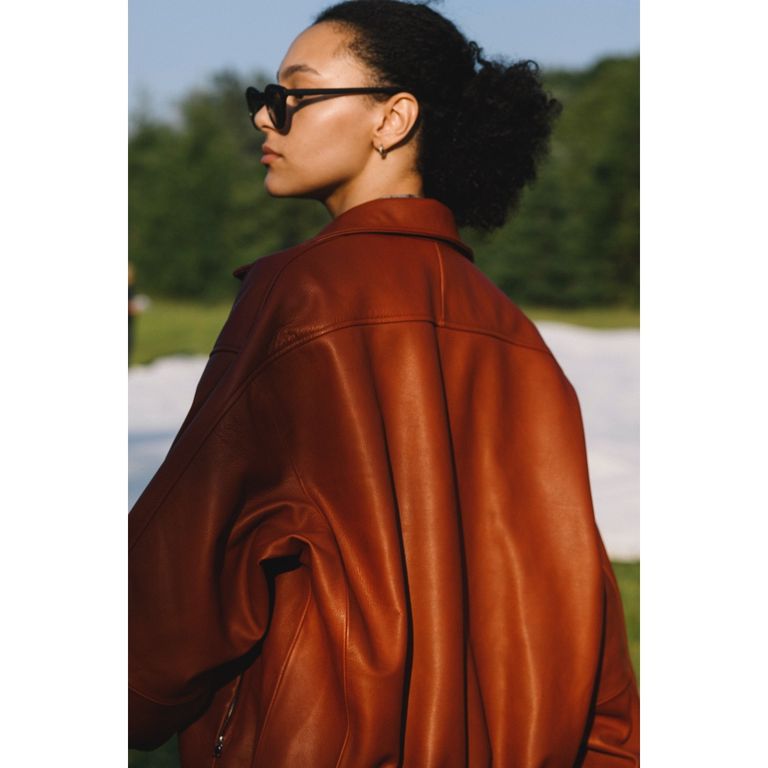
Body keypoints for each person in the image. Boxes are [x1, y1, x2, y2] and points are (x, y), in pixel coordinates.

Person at [129, 1, 639, 765]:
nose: (265, 117)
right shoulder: (517, 339)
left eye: (295, 94)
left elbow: (185, 562)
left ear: (392, 118)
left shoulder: (302, 296)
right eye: (264, 97)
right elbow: (581, 601)